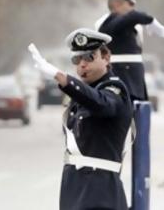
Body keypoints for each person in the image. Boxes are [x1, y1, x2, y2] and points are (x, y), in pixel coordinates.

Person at [28, 28, 133, 210]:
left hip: (101, 193)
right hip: (75, 190)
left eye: (89, 57)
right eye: (77, 59)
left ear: (106, 58)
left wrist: (60, 77)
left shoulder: (115, 89)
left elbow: (101, 104)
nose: (82, 64)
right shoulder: (80, 96)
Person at [96, 0, 164, 101]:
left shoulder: (125, 24)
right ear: (117, 4)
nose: (133, 7)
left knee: (138, 111)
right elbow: (134, 16)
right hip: (123, 75)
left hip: (131, 75)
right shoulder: (110, 22)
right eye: (130, 3)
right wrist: (150, 20)